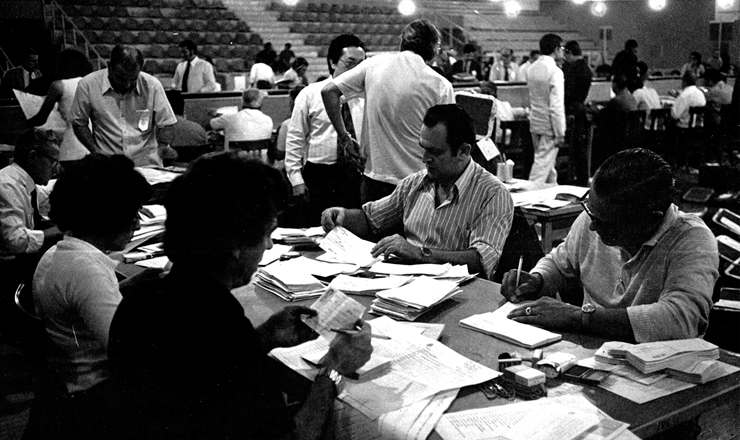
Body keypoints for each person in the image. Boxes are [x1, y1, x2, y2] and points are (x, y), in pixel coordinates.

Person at [107, 152, 372, 440]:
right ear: (235, 244)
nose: (269, 245)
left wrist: (264, 337)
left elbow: (204, 373)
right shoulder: (218, 321)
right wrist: (333, 370)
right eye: (266, 234)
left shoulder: (141, 299)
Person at [503, 148, 717, 343]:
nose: (593, 227)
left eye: (606, 222)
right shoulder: (595, 217)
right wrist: (537, 279)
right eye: (590, 210)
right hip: (593, 349)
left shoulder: (692, 239)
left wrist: (577, 317)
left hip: (656, 366)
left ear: (651, 219)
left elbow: (680, 319)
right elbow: (559, 264)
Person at [30, 154, 151, 439]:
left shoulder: (59, 253)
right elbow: (132, 354)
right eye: (133, 214)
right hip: (94, 394)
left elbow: (82, 306)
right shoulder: (86, 270)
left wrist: (132, 287)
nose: (137, 224)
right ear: (108, 215)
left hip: (68, 380)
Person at [321, 104, 513, 280]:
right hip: (407, 285)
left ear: (463, 151)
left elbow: (479, 260)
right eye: (423, 149)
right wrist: (343, 216)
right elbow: (371, 219)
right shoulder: (415, 183)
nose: (424, 158)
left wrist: (418, 253)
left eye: (435, 152)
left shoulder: (492, 194)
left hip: (460, 293)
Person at [322, 19, 455, 204]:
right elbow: (446, 142)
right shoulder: (440, 84)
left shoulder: (374, 64)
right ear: (433, 49)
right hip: (419, 182)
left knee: (373, 232)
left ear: (403, 43)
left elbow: (328, 91)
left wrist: (345, 138)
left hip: (374, 179)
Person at [285, 34, 366, 225]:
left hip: (356, 175)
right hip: (320, 176)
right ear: (332, 62)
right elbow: (295, 138)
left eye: (361, 64)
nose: (357, 71)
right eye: (350, 63)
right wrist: (296, 179)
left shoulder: (367, 96)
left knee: (352, 234)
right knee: (317, 232)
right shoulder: (310, 94)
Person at [0, 129, 64, 338]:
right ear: (33, 156)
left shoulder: (23, 181)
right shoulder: (7, 185)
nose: (57, 168)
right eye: (52, 161)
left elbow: (48, 193)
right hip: (8, 272)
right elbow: (16, 241)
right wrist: (61, 229)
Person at [70, 45, 177, 167]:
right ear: (109, 66)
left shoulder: (152, 85)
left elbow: (167, 123)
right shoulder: (88, 84)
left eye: (133, 79)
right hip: (109, 165)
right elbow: (79, 123)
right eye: (121, 78)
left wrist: (163, 145)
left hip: (147, 165)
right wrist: (95, 151)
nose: (127, 84)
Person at [27, 49, 93, 167]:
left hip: (71, 147)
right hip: (92, 142)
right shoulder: (91, 83)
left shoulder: (58, 85)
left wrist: (27, 122)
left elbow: (41, 119)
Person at [527, 33, 565, 184]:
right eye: (561, 48)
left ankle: (551, 193)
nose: (562, 51)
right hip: (549, 125)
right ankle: (528, 197)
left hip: (535, 122)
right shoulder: (555, 71)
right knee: (541, 167)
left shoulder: (532, 68)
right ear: (556, 49)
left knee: (548, 165)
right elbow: (556, 105)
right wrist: (560, 132)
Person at [562, 40, 592, 186]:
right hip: (580, 108)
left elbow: (567, 92)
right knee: (579, 148)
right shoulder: (586, 68)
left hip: (572, 110)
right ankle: (582, 179)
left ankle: (575, 180)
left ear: (569, 52)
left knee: (575, 148)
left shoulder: (573, 69)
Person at [208, 88, 273, 150]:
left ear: (242, 101)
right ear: (261, 102)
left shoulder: (228, 118)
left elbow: (209, 125)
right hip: (260, 161)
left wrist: (218, 115)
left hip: (234, 161)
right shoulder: (268, 120)